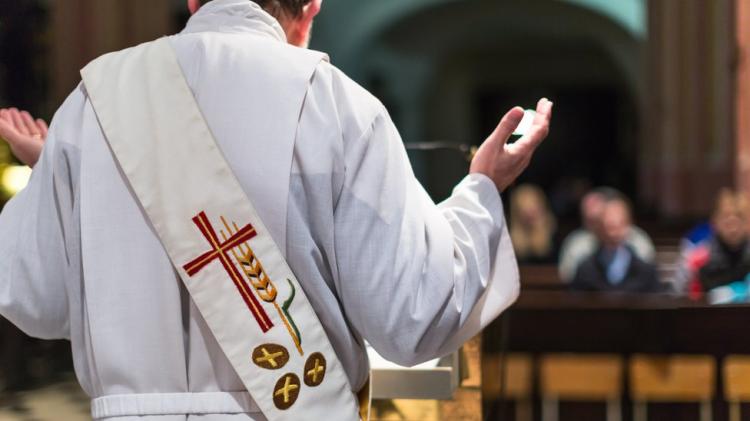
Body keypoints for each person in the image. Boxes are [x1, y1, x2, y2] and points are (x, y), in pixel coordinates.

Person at [0, 0, 553, 419]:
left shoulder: (92, 104)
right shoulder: (336, 105)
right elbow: (411, 316)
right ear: (309, 7)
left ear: (195, 0)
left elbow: (33, 295)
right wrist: (480, 189)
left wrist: (86, 179)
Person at [558, 187, 655, 282]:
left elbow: (647, 270)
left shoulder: (638, 240)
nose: (613, 234)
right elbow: (568, 276)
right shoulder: (577, 243)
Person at [570, 198, 664, 293]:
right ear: (599, 228)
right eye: (609, 227)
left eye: (620, 225)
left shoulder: (645, 271)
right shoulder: (586, 270)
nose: (613, 234)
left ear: (629, 225)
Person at [684, 189, 750, 302]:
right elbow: (682, 299)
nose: (733, 224)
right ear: (714, 221)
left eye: (739, 217)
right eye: (726, 217)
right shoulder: (697, 258)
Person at [509, 184, 558, 264]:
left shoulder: (553, 235)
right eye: (525, 213)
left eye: (533, 211)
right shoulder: (508, 240)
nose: (530, 216)